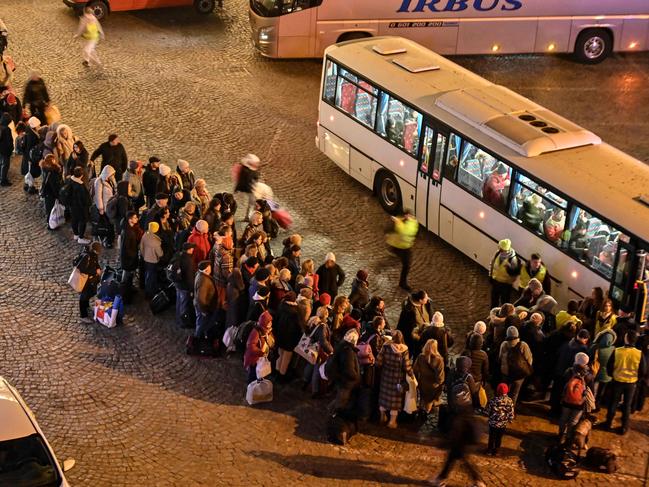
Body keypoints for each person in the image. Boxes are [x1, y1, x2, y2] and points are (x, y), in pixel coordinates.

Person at [604, 330, 647, 435]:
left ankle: (608, 423)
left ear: (626, 338)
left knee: (613, 403)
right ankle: (624, 427)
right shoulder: (639, 354)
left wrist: (612, 375)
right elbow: (643, 370)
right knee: (627, 405)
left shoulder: (617, 351)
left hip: (617, 381)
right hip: (631, 383)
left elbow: (609, 366)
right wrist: (637, 379)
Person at [377, 330, 414, 429]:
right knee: (395, 401)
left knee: (384, 397)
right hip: (397, 377)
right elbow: (406, 366)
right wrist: (412, 375)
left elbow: (379, 361)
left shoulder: (386, 346)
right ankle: (392, 422)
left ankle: (382, 416)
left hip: (386, 375)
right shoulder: (404, 350)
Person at [557, 353, 590, 443]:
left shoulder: (569, 371)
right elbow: (591, 392)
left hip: (567, 401)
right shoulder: (588, 375)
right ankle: (568, 438)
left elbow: (561, 385)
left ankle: (561, 436)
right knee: (573, 421)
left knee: (563, 418)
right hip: (579, 403)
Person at [330, 328, 362, 414]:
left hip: (341, 378)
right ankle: (333, 414)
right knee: (342, 399)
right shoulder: (348, 351)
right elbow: (349, 369)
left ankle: (332, 411)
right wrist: (356, 377)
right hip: (346, 381)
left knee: (339, 397)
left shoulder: (342, 346)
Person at [498, 326, 532, 406]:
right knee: (514, 394)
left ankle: (502, 409)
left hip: (506, 374)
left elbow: (500, 358)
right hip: (519, 375)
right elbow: (529, 359)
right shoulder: (523, 345)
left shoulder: (504, 344)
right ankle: (510, 410)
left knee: (504, 392)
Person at [385, 210, 419, 290]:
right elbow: (402, 231)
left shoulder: (401, 222)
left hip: (404, 247)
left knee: (406, 265)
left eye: (409, 216)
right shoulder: (406, 223)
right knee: (406, 265)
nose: (408, 217)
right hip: (398, 247)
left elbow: (405, 231)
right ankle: (402, 283)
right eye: (407, 215)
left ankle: (402, 282)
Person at [413, 338, 445, 419]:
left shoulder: (421, 357)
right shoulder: (439, 360)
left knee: (422, 398)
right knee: (429, 400)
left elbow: (415, 370)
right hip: (433, 384)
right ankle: (425, 413)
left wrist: (416, 380)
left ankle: (420, 411)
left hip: (422, 382)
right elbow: (440, 375)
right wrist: (439, 383)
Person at [397, 290, 433, 356]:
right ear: (420, 300)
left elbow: (430, 315)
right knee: (412, 352)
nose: (428, 299)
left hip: (424, 333)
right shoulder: (409, 310)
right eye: (426, 298)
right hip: (414, 336)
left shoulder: (427, 304)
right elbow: (405, 325)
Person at [193, 260, 218, 354]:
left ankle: (201, 339)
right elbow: (201, 298)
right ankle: (197, 343)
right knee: (201, 324)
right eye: (210, 266)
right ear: (207, 269)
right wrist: (203, 310)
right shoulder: (204, 280)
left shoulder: (201, 275)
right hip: (204, 308)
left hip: (204, 307)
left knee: (202, 324)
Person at [244, 311, 274, 384]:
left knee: (260, 373)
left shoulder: (268, 330)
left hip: (261, 358)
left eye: (271, 321)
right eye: (269, 321)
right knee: (253, 374)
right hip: (254, 359)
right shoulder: (256, 332)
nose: (270, 323)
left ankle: (258, 385)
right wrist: (260, 353)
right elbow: (251, 346)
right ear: (264, 322)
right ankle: (251, 386)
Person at [489, 239, 521, 308]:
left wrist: (509, 268)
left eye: (500, 248)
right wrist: (490, 276)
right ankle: (493, 314)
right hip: (496, 281)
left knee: (505, 302)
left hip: (506, 285)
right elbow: (492, 264)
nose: (499, 249)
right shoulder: (497, 253)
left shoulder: (513, 259)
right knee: (494, 301)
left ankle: (504, 315)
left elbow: (515, 273)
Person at [486, 383, 515, 456]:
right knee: (499, 438)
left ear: (497, 391)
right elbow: (510, 411)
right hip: (503, 424)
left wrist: (488, 416)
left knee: (492, 437)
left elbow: (488, 411)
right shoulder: (509, 401)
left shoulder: (493, 400)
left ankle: (489, 450)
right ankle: (497, 451)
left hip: (493, 423)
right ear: (507, 391)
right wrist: (510, 419)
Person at [76, 242, 102, 324]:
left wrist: (98, 268)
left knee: (88, 294)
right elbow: (83, 269)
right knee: (84, 296)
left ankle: (86, 306)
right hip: (85, 280)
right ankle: (83, 316)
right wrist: (95, 271)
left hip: (91, 280)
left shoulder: (93, 254)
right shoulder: (86, 256)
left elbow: (96, 263)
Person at [590, 328, 616, 407]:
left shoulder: (595, 347)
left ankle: (590, 404)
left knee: (592, 390)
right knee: (601, 391)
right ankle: (597, 405)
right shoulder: (614, 349)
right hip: (607, 375)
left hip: (594, 372)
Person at [119, 211, 142, 295]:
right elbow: (126, 248)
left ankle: (129, 287)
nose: (137, 219)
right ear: (130, 220)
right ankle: (124, 292)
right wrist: (133, 256)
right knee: (126, 275)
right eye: (135, 217)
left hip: (130, 257)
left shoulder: (131, 228)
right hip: (128, 258)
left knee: (129, 274)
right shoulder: (127, 232)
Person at [93, 165, 116, 247]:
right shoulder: (99, 182)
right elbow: (98, 196)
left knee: (110, 224)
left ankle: (110, 239)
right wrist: (100, 208)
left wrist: (114, 181)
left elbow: (115, 190)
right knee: (107, 224)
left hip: (110, 206)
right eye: (112, 174)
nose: (113, 176)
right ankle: (107, 240)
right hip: (104, 207)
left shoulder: (111, 180)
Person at [175, 242, 197, 328]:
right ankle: (183, 323)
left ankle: (178, 319)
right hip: (185, 286)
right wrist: (191, 289)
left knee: (179, 303)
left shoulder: (179, 255)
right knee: (184, 305)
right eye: (192, 248)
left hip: (178, 284)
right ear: (189, 250)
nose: (193, 249)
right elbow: (189, 277)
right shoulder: (189, 260)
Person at [140, 222, 164, 299]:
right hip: (153, 261)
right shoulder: (155, 241)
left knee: (148, 276)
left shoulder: (145, 235)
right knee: (152, 277)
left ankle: (148, 291)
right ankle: (150, 293)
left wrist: (144, 255)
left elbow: (141, 247)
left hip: (146, 259)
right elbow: (160, 254)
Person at [68, 166, 92, 244]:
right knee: (82, 221)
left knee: (74, 219)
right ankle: (81, 237)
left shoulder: (69, 180)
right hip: (80, 207)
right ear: (82, 175)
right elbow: (85, 199)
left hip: (72, 205)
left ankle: (76, 234)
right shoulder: (81, 186)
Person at [234, 153, 260, 221]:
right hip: (247, 189)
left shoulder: (244, 169)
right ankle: (247, 217)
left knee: (238, 201)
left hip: (243, 188)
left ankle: (246, 217)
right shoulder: (249, 171)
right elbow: (255, 178)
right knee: (250, 203)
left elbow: (240, 179)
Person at [40, 154, 63, 228]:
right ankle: (51, 224)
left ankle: (49, 223)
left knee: (49, 208)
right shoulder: (52, 172)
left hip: (47, 193)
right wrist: (58, 195)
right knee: (51, 209)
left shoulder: (45, 169)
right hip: (51, 194)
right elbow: (54, 186)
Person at [0, 112, 13, 186]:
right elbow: (8, 141)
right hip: (5, 150)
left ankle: (2, 178)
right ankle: (3, 180)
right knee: (5, 165)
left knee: (1, 164)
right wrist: (11, 149)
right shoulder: (7, 129)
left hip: (1, 149)